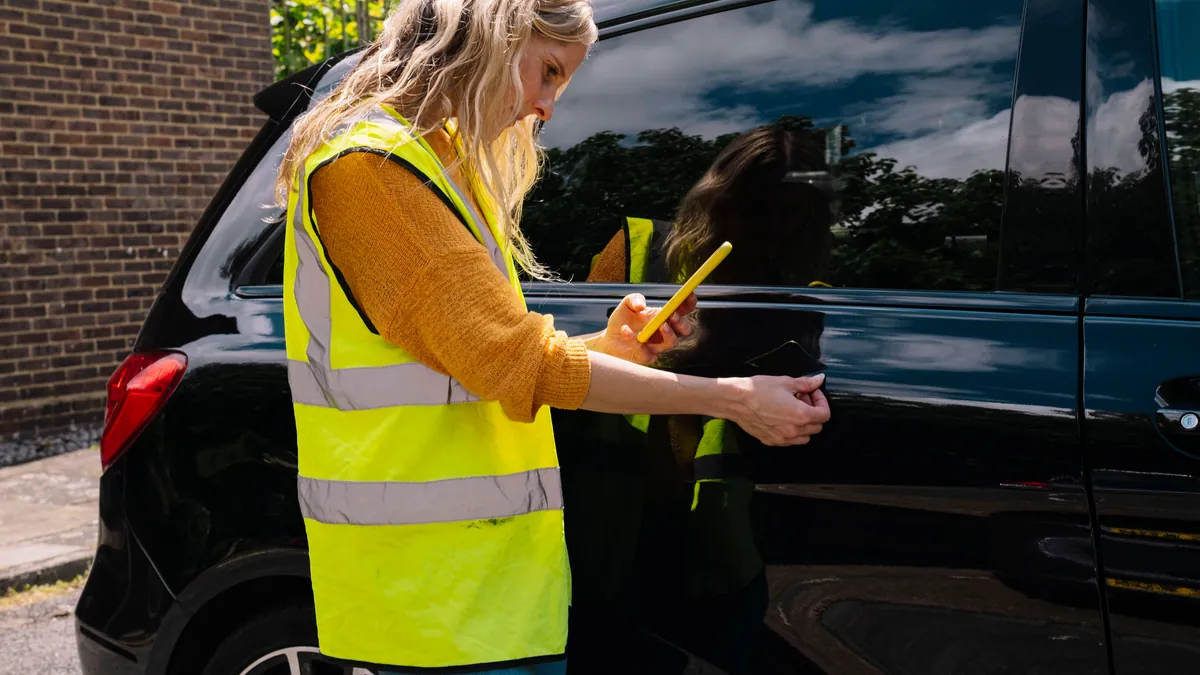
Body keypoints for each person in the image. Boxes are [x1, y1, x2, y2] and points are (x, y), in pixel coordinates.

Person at [274, 0, 833, 673]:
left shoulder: (431, 162)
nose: (547, 107)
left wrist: (608, 348)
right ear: (489, 34)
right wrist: (735, 398)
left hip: (479, 598)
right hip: (432, 610)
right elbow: (515, 362)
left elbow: (480, 358)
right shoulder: (372, 169)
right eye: (546, 72)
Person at [585, 123, 837, 673]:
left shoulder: (800, 297)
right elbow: (572, 371)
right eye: (751, 206)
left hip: (724, 547)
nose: (765, 226)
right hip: (616, 533)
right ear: (717, 196)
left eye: (788, 209)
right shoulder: (638, 251)